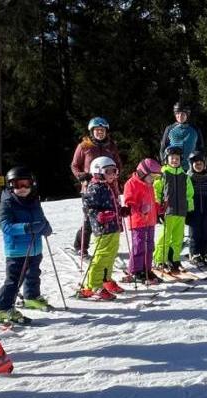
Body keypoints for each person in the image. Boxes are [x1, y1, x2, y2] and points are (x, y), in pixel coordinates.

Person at [0, 166, 53, 325]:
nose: (23, 189)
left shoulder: (34, 200)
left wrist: (45, 226)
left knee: (34, 273)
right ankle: (0, 307)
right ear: (10, 186)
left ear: (32, 184)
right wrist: (27, 227)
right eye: (18, 185)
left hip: (35, 247)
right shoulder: (7, 203)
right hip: (17, 250)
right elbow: (5, 226)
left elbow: (41, 218)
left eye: (26, 184)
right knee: (14, 280)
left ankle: (31, 297)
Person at [69, 117, 122, 258]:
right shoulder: (84, 146)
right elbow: (74, 165)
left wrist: (116, 174)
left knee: (111, 215)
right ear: (92, 131)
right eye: (97, 130)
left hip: (110, 185)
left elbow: (118, 163)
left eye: (102, 130)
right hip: (91, 186)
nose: (100, 133)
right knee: (90, 217)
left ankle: (107, 244)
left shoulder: (111, 146)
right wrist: (81, 175)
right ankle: (81, 246)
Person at [80, 157, 124, 300]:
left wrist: (121, 211)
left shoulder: (108, 186)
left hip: (114, 227)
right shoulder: (95, 188)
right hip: (103, 229)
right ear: (98, 172)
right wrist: (99, 215)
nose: (112, 175)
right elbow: (88, 207)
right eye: (108, 171)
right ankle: (93, 284)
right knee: (101, 256)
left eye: (114, 171)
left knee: (111, 256)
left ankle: (106, 280)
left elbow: (113, 205)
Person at [153, 147, 195, 272]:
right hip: (168, 211)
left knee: (178, 237)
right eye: (172, 158)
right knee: (165, 237)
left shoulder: (184, 175)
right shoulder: (163, 174)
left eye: (177, 158)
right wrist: (158, 209)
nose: (175, 160)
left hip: (181, 211)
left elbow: (189, 193)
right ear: (166, 159)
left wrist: (190, 208)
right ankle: (160, 260)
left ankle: (174, 259)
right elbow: (157, 191)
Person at [123, 159, 163, 285]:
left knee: (150, 246)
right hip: (138, 221)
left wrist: (159, 209)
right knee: (139, 246)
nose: (154, 179)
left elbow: (152, 201)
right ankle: (135, 270)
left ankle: (146, 269)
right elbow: (129, 202)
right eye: (153, 176)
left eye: (156, 177)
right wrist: (140, 207)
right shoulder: (131, 184)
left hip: (150, 221)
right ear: (143, 173)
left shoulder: (149, 185)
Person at [160, 102, 201, 166]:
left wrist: (201, 161)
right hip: (173, 166)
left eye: (183, 114)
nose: (180, 116)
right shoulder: (169, 129)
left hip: (190, 167)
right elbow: (163, 147)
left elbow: (201, 147)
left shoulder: (195, 129)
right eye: (177, 113)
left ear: (187, 115)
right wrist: (164, 161)